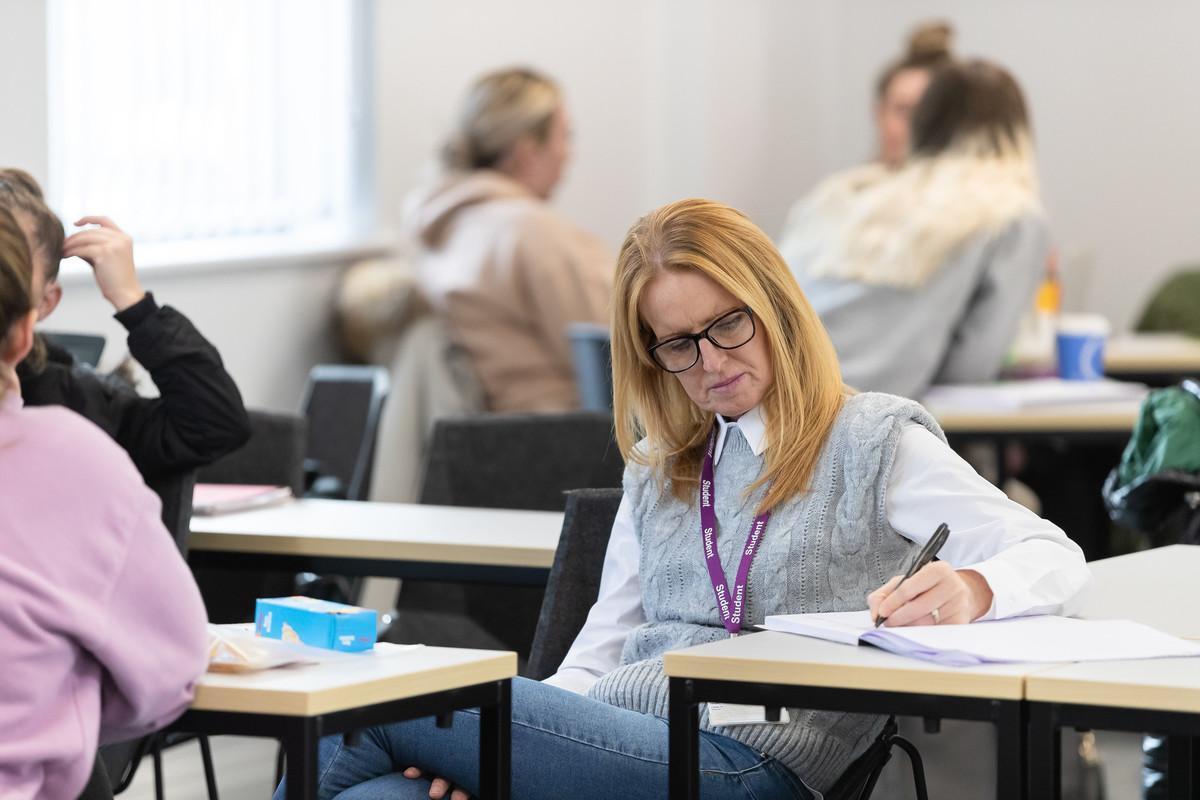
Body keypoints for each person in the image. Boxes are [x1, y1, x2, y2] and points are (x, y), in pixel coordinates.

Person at [276, 199, 1088, 800]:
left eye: (728, 325)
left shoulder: (874, 441)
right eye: (677, 344)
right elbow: (602, 648)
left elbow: (1053, 553)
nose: (710, 361)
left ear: (774, 307)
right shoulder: (664, 464)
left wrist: (974, 587)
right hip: (628, 738)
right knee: (374, 797)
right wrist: (502, 754)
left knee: (387, 700)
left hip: (754, 760)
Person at [0, 206, 209, 800]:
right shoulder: (71, 453)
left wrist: (137, 307)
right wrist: (55, 697)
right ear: (24, 330)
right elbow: (171, 671)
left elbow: (210, 422)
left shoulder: (71, 395)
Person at [779, 59, 1048, 400]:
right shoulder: (1012, 216)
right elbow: (971, 368)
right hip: (854, 414)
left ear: (923, 122)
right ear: (1019, 130)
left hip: (769, 398)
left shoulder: (846, 193)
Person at [0, 169, 251, 529]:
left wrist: (134, 305)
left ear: (45, 303)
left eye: (12, 268)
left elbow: (214, 423)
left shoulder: (74, 404)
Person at [401, 67, 612, 412]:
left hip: (486, 442)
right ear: (527, 150)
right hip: (566, 442)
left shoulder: (443, 229)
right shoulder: (531, 234)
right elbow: (616, 361)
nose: (569, 154)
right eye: (565, 137)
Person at [875, 21, 955, 169]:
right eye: (904, 110)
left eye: (930, 112)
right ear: (880, 114)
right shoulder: (845, 190)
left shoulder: (981, 190)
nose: (917, 125)